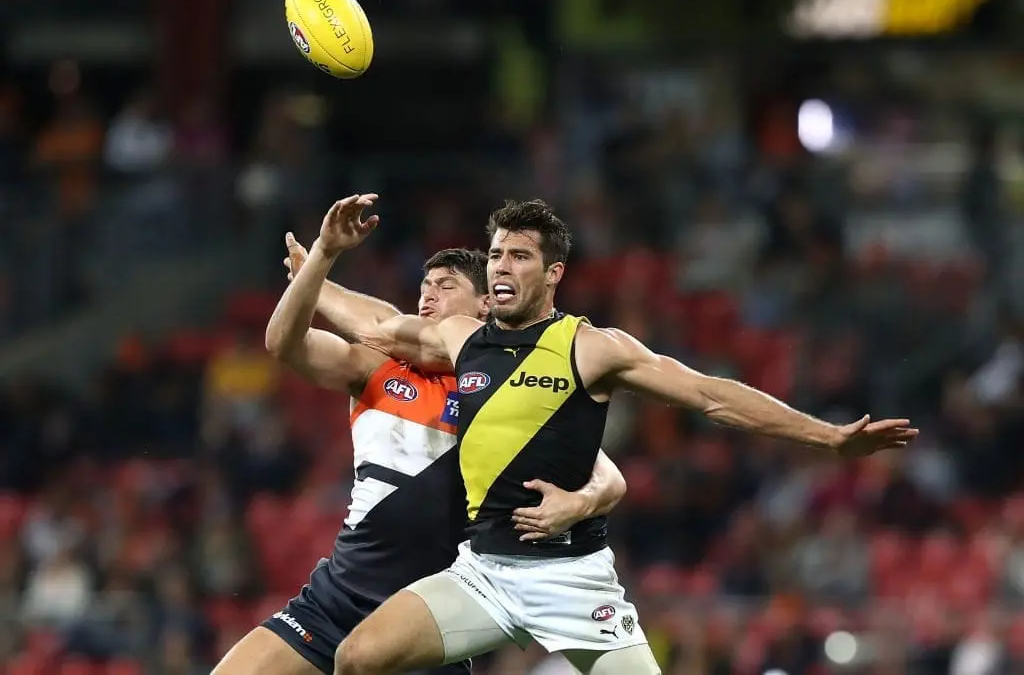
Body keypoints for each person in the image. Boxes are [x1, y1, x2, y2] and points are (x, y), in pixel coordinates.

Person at [322, 196, 919, 675]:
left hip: (572, 580)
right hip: (483, 572)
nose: (501, 266)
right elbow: (378, 323)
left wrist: (829, 437)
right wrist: (316, 264)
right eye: (497, 254)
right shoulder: (462, 339)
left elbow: (710, 395)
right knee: (357, 658)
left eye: (520, 256)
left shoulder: (591, 347)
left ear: (553, 273)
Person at [211, 195, 627, 675]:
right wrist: (324, 253)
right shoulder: (378, 366)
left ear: (486, 304)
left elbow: (607, 475)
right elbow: (284, 343)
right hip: (336, 599)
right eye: (424, 287)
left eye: (446, 286)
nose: (428, 296)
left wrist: (579, 502)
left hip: (431, 620)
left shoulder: (510, 389)